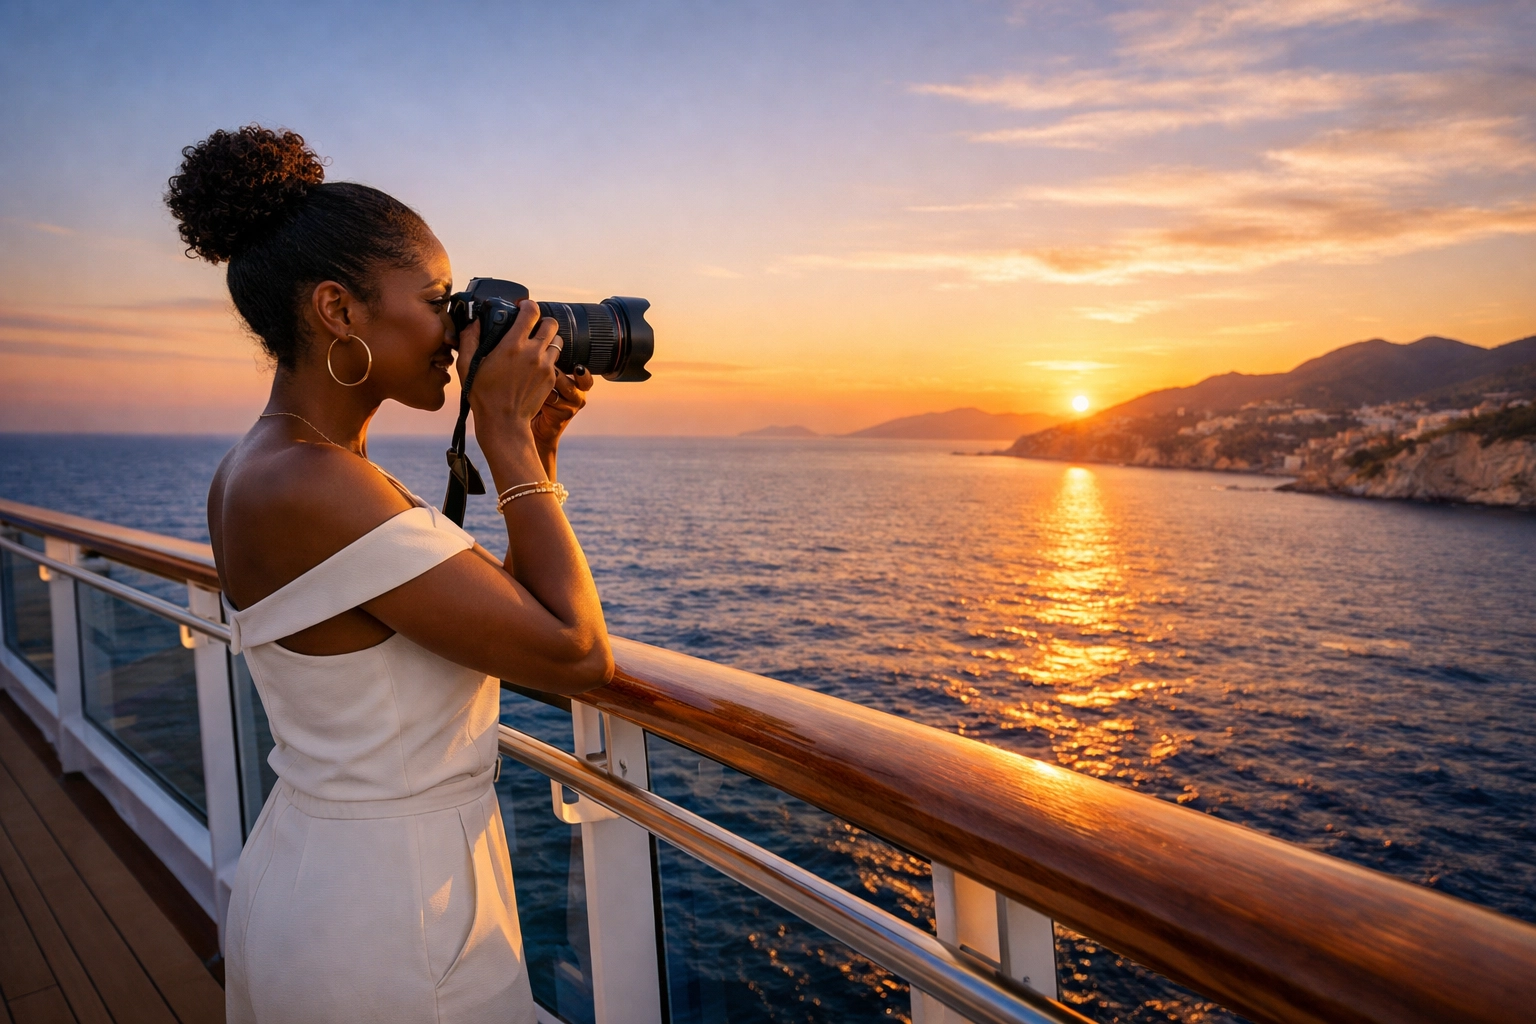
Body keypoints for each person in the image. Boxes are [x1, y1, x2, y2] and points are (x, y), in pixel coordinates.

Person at [167, 125, 613, 1024]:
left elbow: (510, 628)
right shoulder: (312, 484)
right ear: (339, 309)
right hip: (391, 925)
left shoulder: (278, 465)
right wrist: (503, 436)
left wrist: (535, 447)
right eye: (439, 300)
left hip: (332, 880)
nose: (457, 328)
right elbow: (574, 655)